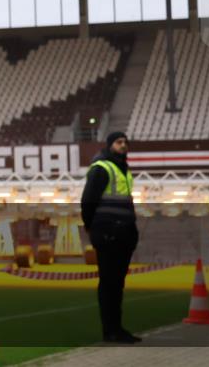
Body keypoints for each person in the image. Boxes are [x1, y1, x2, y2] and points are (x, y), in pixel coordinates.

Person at [80, 131, 143, 344]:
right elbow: (87, 201)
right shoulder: (102, 168)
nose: (123, 145)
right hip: (108, 233)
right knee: (109, 284)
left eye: (125, 142)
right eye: (119, 142)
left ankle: (117, 329)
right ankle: (111, 331)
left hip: (124, 233)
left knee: (117, 284)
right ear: (109, 145)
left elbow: (127, 202)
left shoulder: (124, 170)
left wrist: (132, 231)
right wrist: (92, 228)